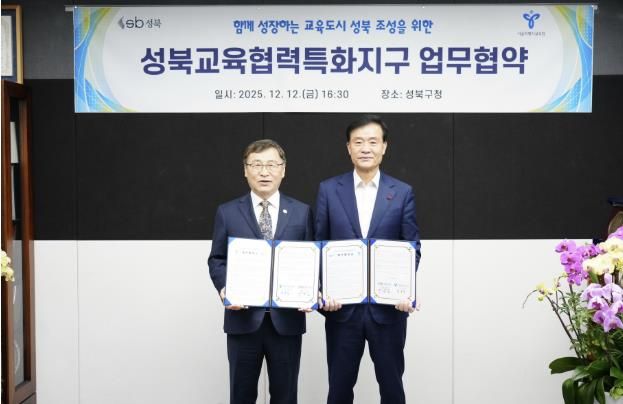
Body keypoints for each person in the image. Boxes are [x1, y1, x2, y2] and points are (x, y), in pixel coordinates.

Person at [314, 115, 421, 404]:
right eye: (358, 142)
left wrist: (405, 290)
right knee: (338, 390)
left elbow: (412, 247)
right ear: (348, 148)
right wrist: (323, 291)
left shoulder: (402, 192)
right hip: (341, 310)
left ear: (384, 147)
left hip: (388, 311)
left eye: (373, 142)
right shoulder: (329, 190)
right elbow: (318, 246)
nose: (365, 148)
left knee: (392, 389)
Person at [208, 139, 314, 404]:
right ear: (245, 170)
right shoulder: (227, 212)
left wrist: (313, 290)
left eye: (271, 165)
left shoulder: (302, 213)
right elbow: (217, 259)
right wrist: (224, 289)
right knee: (241, 396)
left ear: (283, 169)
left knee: (285, 396)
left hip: (286, 322)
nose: (264, 172)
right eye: (256, 165)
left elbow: (313, 260)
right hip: (243, 322)